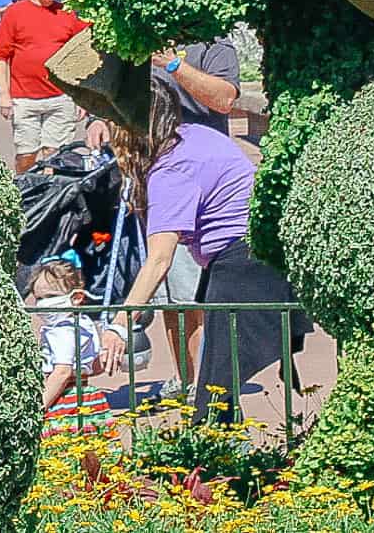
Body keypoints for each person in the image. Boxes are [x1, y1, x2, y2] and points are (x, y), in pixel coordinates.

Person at [98, 70, 309, 421]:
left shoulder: (171, 171)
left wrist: (120, 324)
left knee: (216, 389)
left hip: (243, 265)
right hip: (258, 253)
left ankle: (216, 455)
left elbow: (159, 261)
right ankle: (218, 447)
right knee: (217, 386)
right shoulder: (197, 136)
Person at [0, 0, 88, 174]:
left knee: (55, 155)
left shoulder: (66, 13)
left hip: (61, 97)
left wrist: (83, 94)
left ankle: (50, 196)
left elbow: (82, 52)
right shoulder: (15, 13)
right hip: (24, 99)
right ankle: (23, 188)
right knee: (26, 154)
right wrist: (3, 94)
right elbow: (1, 56)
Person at [25, 258, 111, 433]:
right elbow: (95, 366)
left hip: (64, 400)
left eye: (51, 296)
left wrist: (38, 408)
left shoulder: (62, 330)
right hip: (87, 395)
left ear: (77, 297)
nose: (43, 304)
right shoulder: (84, 323)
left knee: (62, 450)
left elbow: (62, 372)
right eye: (39, 298)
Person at [164, 39, 241, 137]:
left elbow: (225, 100)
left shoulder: (213, 43)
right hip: (150, 146)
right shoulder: (144, 36)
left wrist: (173, 65)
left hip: (199, 144)